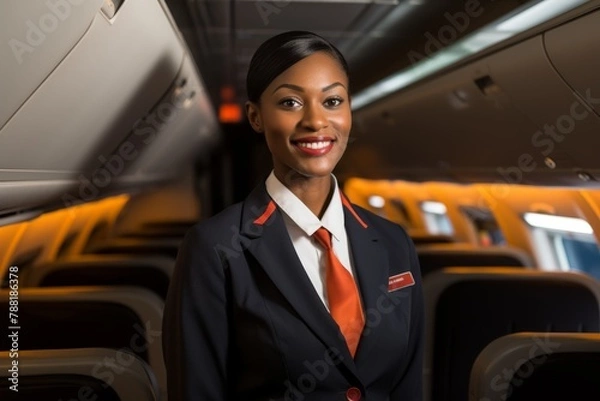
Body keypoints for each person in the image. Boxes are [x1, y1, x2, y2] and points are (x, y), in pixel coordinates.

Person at [162, 30, 424, 401]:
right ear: (255, 116)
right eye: (290, 103)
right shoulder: (215, 249)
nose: (316, 121)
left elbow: (408, 387)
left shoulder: (394, 242)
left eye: (332, 100)